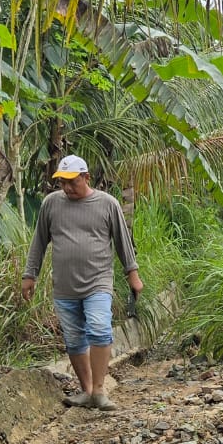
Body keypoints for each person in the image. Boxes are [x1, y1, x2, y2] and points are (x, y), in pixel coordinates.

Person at [21, 155, 143, 411]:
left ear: (86, 178)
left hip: (97, 281)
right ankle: (87, 390)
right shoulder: (51, 204)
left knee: (99, 329)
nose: (66, 188)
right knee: (75, 340)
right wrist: (29, 275)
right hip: (64, 287)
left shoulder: (107, 204)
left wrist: (133, 274)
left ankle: (99, 390)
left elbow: (123, 241)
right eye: (62, 182)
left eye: (72, 182)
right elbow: (39, 242)